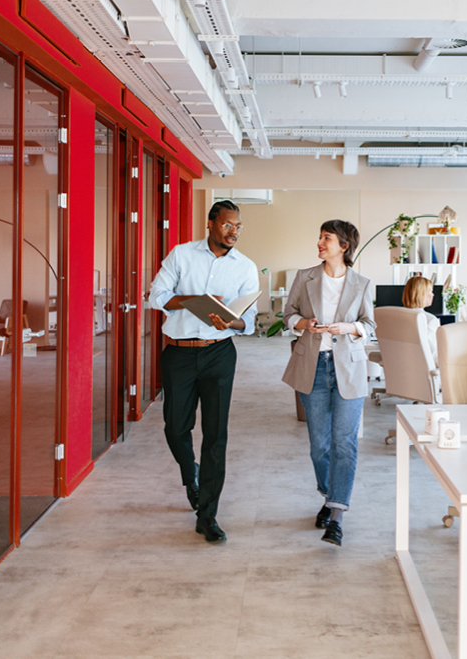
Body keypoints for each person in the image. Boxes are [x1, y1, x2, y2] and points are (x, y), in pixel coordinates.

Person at [149, 200, 259, 543]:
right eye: (228, 225)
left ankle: (207, 514)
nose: (234, 232)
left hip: (219, 354)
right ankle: (190, 473)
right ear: (211, 223)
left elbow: (249, 323)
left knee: (215, 435)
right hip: (179, 354)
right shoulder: (181, 255)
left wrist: (233, 319)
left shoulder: (246, 267)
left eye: (238, 227)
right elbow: (156, 296)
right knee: (175, 428)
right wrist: (194, 299)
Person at [282, 220, 376, 547]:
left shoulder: (362, 283)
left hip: (348, 369)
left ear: (344, 246)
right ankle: (329, 495)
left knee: (344, 443)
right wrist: (304, 323)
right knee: (320, 445)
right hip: (314, 367)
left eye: (327, 238)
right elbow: (288, 316)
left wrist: (349, 328)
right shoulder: (304, 277)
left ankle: (336, 516)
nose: (320, 242)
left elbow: (368, 324)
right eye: (320, 237)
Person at [402, 275, 440, 368]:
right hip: (424, 373)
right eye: (430, 291)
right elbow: (434, 355)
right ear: (422, 294)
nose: (433, 295)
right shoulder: (430, 320)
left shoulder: (396, 316)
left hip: (401, 370)